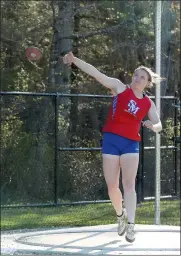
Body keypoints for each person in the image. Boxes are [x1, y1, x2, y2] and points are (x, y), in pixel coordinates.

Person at [63, 52, 162, 243]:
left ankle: (132, 226)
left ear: (147, 83)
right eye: (136, 75)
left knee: (129, 184)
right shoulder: (119, 87)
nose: (137, 79)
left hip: (130, 143)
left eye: (142, 77)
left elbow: (158, 123)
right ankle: (120, 216)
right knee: (112, 187)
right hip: (111, 140)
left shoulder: (147, 103)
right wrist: (75, 60)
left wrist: (154, 127)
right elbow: (97, 74)